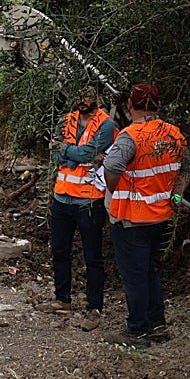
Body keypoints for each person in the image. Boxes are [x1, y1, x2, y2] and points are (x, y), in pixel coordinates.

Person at [102, 83, 190, 349]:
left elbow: (112, 165)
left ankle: (137, 331)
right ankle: (157, 324)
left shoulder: (131, 136)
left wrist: (112, 189)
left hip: (132, 220)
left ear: (131, 106)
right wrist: (176, 193)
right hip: (161, 216)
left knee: (135, 276)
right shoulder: (175, 134)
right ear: (158, 106)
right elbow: (187, 168)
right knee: (149, 271)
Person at [37, 85, 116, 332]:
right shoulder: (65, 120)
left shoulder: (106, 125)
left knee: (92, 255)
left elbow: (88, 152)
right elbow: (58, 156)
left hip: (89, 199)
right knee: (59, 250)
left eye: (88, 96)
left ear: (99, 98)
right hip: (62, 196)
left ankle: (95, 307)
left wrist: (67, 151)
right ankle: (63, 298)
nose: (83, 100)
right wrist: (76, 155)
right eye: (80, 95)